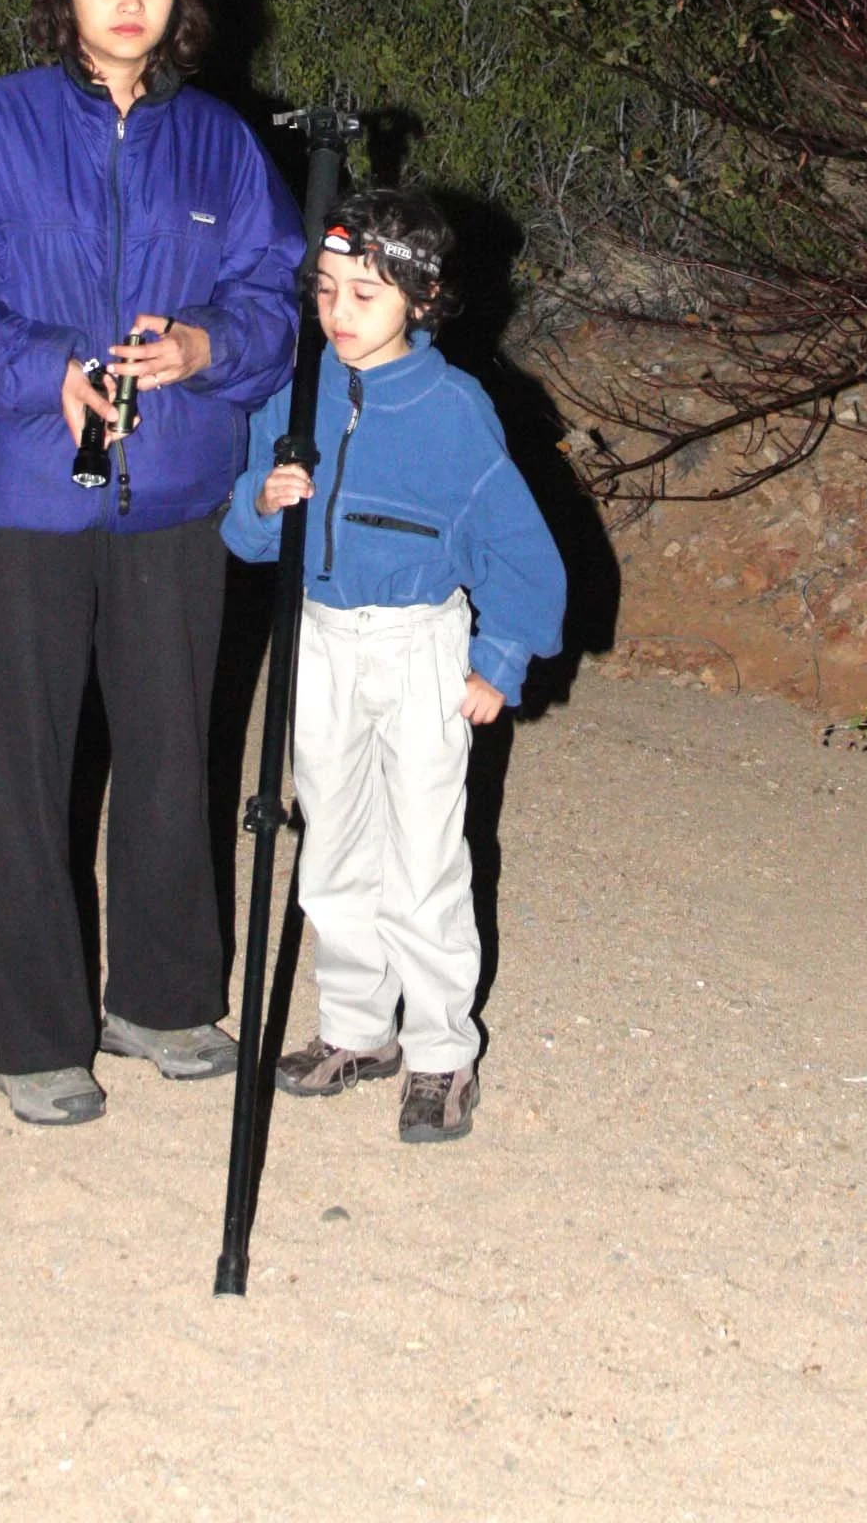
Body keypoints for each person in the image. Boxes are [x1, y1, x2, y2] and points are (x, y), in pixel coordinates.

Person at [0, 0, 305, 1126]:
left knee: (176, 749)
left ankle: (164, 999)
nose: (130, 1)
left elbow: (277, 293)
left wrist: (209, 343)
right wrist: (37, 373)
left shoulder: (221, 141)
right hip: (26, 488)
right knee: (30, 767)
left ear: (179, 2)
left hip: (175, 489)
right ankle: (42, 1035)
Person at [220, 186, 565, 1144]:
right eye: (325, 291)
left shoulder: (455, 410)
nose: (337, 314)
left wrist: (498, 659)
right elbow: (242, 533)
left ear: (422, 300)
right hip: (322, 638)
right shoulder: (295, 389)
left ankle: (441, 1052)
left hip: (419, 644)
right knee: (330, 845)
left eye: (364, 296)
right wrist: (262, 501)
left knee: (421, 857)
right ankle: (357, 1030)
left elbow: (523, 553)